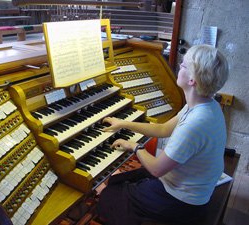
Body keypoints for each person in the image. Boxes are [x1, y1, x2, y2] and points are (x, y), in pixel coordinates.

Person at [96, 44, 229, 225]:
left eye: (183, 65)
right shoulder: (205, 104)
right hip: (187, 187)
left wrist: (134, 146)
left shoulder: (195, 124)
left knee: (108, 196)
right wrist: (124, 124)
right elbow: (164, 129)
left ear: (192, 80)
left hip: (182, 203)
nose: (179, 67)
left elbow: (157, 169)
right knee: (124, 179)